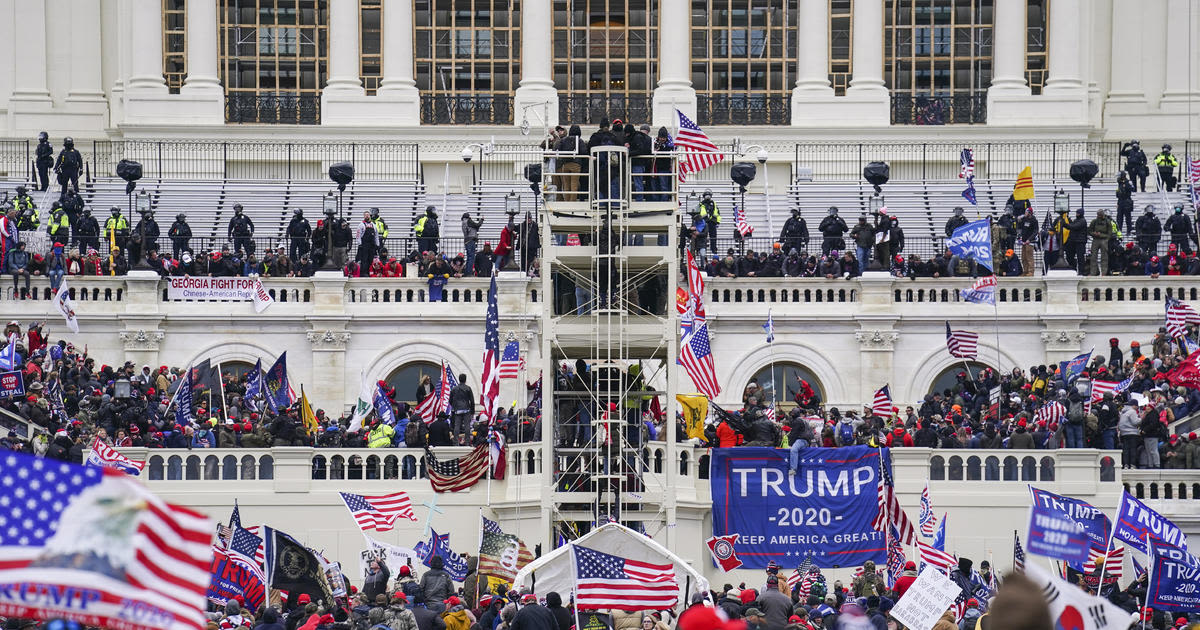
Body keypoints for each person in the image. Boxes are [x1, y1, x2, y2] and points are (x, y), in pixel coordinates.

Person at [554, 125, 586, 201]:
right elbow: (584, 152)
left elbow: (558, 149)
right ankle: (572, 202)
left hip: (565, 164)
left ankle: (567, 201)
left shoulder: (564, 140)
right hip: (576, 164)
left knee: (566, 185)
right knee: (574, 185)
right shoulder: (579, 140)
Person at [448, 374, 474, 445]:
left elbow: (450, 400)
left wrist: (454, 406)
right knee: (467, 426)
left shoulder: (454, 388)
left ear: (459, 379)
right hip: (466, 409)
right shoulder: (468, 388)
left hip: (457, 409)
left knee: (457, 426)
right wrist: (472, 411)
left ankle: (456, 442)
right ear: (465, 380)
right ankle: (467, 442)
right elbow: (472, 400)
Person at [1088, 209, 1113, 275]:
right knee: (1093, 257)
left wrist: (1105, 238)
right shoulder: (1094, 221)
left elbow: (1110, 233)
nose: (1099, 216)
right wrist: (1094, 234)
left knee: (1104, 257)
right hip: (1095, 240)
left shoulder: (1107, 221)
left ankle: (1104, 273)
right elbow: (1089, 231)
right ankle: (1093, 272)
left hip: (1104, 240)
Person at [355, 211, 379, 276]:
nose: (367, 216)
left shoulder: (373, 225)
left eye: (368, 215)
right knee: (364, 259)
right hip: (364, 244)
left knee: (371, 259)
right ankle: (364, 273)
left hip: (372, 245)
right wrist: (359, 244)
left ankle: (370, 272)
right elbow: (358, 235)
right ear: (364, 216)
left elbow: (376, 235)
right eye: (365, 215)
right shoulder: (361, 225)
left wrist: (377, 244)